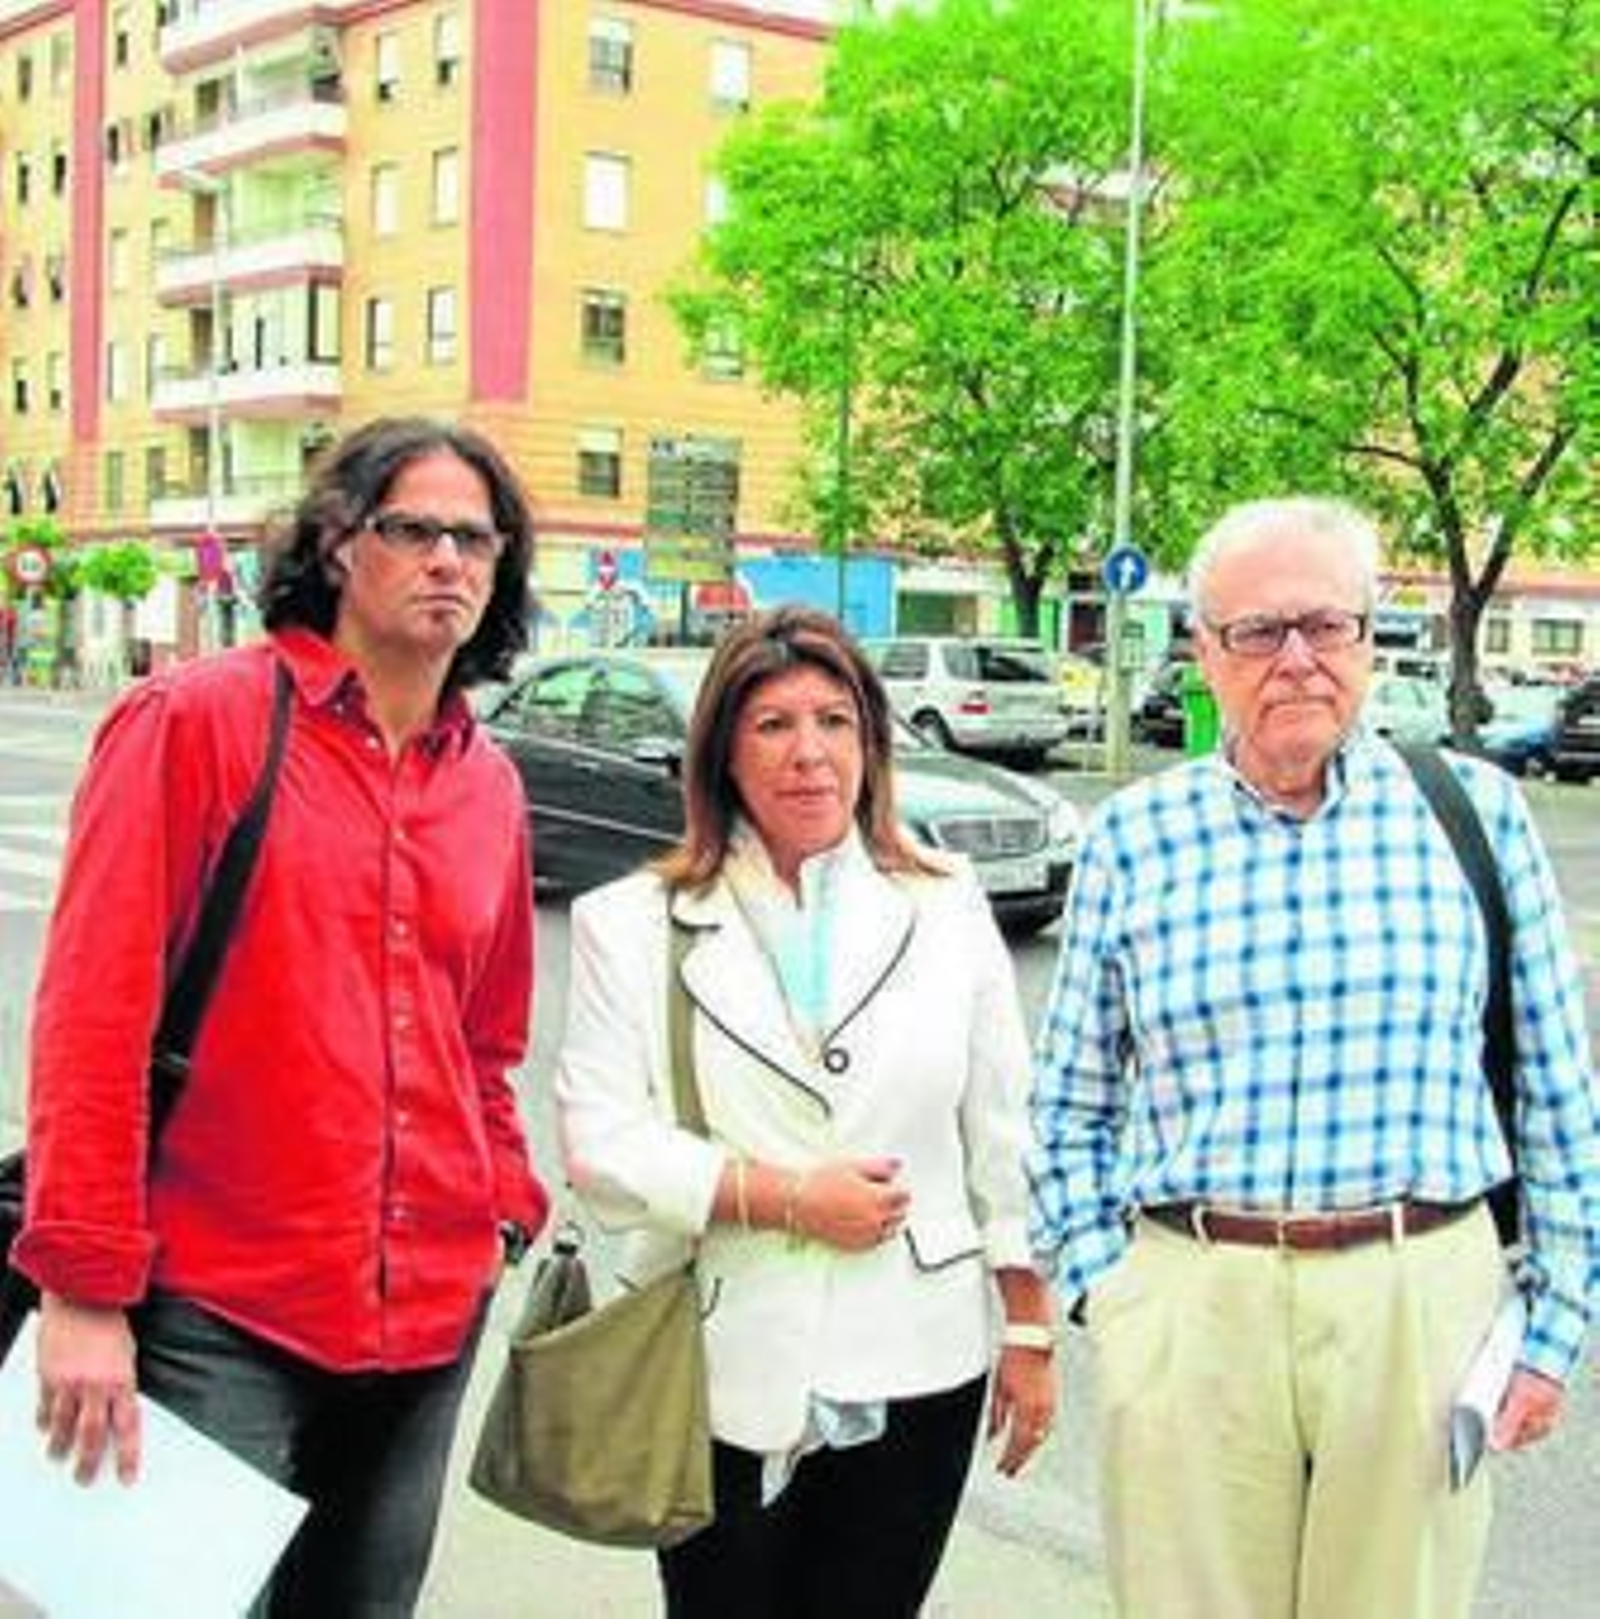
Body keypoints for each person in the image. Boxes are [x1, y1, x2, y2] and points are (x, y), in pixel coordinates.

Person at [15, 417, 550, 1615]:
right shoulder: (196, 722)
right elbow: (93, 1020)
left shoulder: (488, 784)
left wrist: (503, 1204)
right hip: (218, 1306)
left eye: (475, 539)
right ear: (338, 543)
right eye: (413, 529)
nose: (448, 560)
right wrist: (82, 1292)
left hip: (428, 1309)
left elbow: (487, 1040)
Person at [1030, 496, 1598, 1618]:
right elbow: (1067, 1104)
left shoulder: (1474, 814)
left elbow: (1556, 1090)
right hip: (1193, 1297)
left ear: (1369, 637)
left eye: (1327, 625)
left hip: (1417, 1296)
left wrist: (1553, 1329)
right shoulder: (1134, 837)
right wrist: (1113, 1296)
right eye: (1257, 631)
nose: (1297, 658)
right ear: (1205, 652)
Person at [555, 606, 1056, 1618]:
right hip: (719, 1357)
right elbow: (600, 1141)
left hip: (917, 1355)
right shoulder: (633, 922)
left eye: (835, 720)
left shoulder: (944, 901)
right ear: (722, 752)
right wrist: (782, 1195)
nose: (809, 753)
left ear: (871, 741)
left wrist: (1030, 1326)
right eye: (773, 724)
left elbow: (1004, 1130)